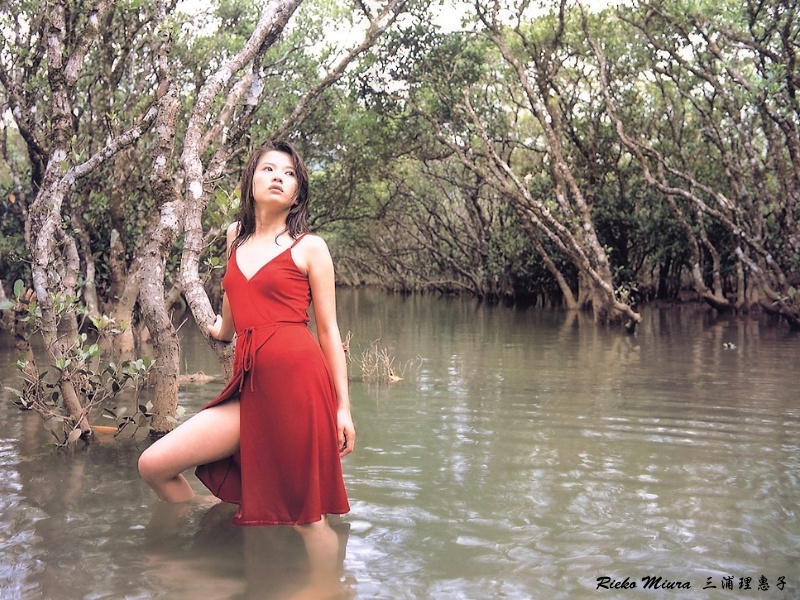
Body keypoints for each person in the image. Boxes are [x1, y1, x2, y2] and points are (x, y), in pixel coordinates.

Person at [138, 140, 355, 581]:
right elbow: (234, 303)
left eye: (289, 174)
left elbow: (328, 331)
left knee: (308, 518)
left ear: (297, 193)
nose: (278, 177)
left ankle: (326, 589)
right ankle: (211, 526)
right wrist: (220, 329)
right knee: (154, 465)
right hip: (250, 388)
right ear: (251, 179)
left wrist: (343, 409)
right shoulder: (235, 236)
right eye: (269, 168)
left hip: (298, 388)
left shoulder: (309, 247)